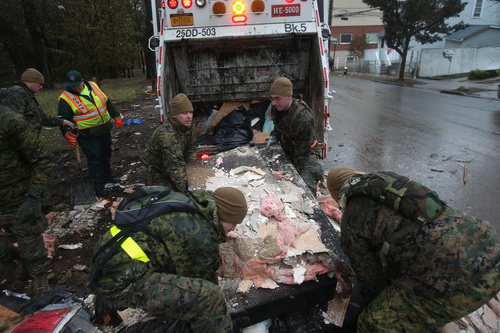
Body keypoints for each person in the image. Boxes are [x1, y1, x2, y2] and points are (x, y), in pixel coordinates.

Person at [326, 166, 500, 332]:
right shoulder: (386, 182)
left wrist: (381, 305)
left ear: (337, 195)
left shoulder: (351, 218)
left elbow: (371, 281)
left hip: (465, 279)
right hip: (490, 248)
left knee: (373, 322)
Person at [89, 186, 248, 333]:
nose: (233, 228)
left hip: (108, 261)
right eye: (233, 222)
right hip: (120, 280)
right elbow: (201, 282)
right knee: (210, 298)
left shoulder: (189, 204)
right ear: (223, 213)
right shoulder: (198, 232)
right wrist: (221, 321)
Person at [0, 105, 52, 294]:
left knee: (30, 243)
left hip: (18, 200)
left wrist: (33, 197)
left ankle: (39, 278)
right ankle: (16, 260)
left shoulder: (11, 122)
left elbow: (41, 160)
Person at [58, 70, 123, 197]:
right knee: (95, 160)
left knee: (106, 155)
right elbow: (63, 119)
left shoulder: (93, 86)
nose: (75, 87)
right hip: (87, 135)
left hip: (104, 130)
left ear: (83, 81)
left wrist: (115, 115)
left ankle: (107, 178)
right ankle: (98, 187)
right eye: (72, 85)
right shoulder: (65, 98)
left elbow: (107, 101)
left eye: (77, 84)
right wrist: (66, 132)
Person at [267, 77, 324, 195]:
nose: (273, 103)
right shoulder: (277, 108)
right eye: (272, 98)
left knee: (303, 185)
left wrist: (294, 174)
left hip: (306, 152)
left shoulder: (303, 117)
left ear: (289, 96)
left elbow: (302, 154)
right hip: (289, 146)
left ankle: (309, 206)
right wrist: (274, 136)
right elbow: (278, 126)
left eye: (277, 99)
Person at [141, 93, 196, 195]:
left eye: (190, 112)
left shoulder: (187, 127)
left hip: (172, 165)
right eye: (184, 113)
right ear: (174, 115)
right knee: (170, 198)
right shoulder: (167, 134)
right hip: (157, 171)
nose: (189, 117)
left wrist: (192, 171)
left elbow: (191, 150)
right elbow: (175, 168)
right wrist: (192, 192)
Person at [0, 68, 76, 133]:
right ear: (30, 81)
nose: (41, 87)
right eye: (40, 84)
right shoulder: (15, 95)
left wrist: (63, 122)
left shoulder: (27, 94)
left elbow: (41, 117)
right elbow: (14, 125)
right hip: (19, 144)